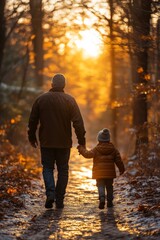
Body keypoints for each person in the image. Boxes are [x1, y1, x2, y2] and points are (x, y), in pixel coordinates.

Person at [28, 73, 86, 209]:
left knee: (47, 168)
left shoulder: (41, 99)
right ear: (64, 85)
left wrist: (32, 137)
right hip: (64, 142)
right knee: (63, 170)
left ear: (52, 84)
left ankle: (50, 194)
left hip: (46, 142)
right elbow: (78, 122)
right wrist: (81, 141)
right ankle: (59, 200)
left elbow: (32, 121)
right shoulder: (70, 100)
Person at [77, 128, 125, 209]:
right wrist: (121, 169)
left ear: (99, 139)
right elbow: (118, 160)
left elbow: (87, 154)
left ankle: (102, 198)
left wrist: (81, 149)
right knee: (109, 186)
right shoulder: (114, 149)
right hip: (110, 173)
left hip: (99, 173)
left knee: (100, 185)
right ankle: (110, 202)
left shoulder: (96, 149)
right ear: (108, 139)